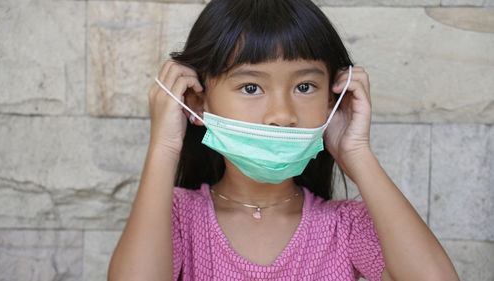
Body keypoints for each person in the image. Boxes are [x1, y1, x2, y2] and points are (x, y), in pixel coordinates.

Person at [108, 0, 460, 280]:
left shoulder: (346, 227)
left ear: (332, 100)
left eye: (304, 87)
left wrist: (356, 153)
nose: (282, 114)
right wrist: (164, 146)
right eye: (251, 87)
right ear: (198, 101)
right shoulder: (175, 218)